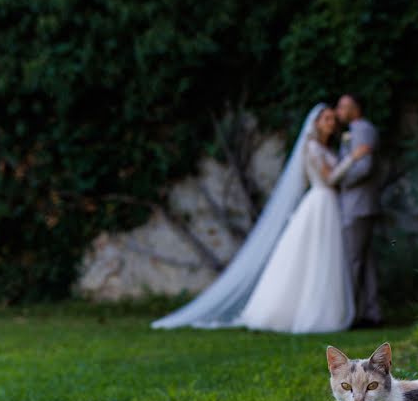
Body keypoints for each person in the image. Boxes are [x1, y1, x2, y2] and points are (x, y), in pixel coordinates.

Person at [151, 104, 369, 333]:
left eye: (333, 120)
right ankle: (305, 313)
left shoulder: (325, 147)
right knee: (315, 257)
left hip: (328, 205)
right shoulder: (312, 147)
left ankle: (328, 311)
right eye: (326, 119)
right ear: (315, 123)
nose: (331, 123)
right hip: (320, 201)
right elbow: (328, 178)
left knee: (326, 258)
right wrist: (352, 159)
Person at [335, 94, 383, 328]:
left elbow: (364, 167)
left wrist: (339, 181)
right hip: (360, 205)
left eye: (342, 106)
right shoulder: (354, 130)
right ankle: (370, 312)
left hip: (358, 204)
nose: (338, 111)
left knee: (354, 261)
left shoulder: (362, 129)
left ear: (355, 108)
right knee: (364, 261)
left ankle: (352, 314)